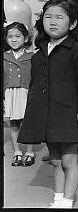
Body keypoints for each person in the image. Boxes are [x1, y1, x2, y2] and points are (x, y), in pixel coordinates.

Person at [17, 0, 78, 208]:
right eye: (48, 17)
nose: (53, 21)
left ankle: (67, 201)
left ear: (71, 24)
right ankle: (58, 198)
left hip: (69, 114)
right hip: (47, 115)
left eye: (59, 17)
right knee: (56, 161)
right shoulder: (38, 53)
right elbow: (35, 85)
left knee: (69, 161)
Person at [3, 22, 35, 167]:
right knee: (14, 124)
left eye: (18, 36)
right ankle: (17, 152)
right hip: (10, 93)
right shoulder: (4, 57)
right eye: (10, 37)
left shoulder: (32, 56)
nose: (14, 39)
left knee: (27, 123)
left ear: (26, 38)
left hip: (26, 93)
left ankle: (29, 152)